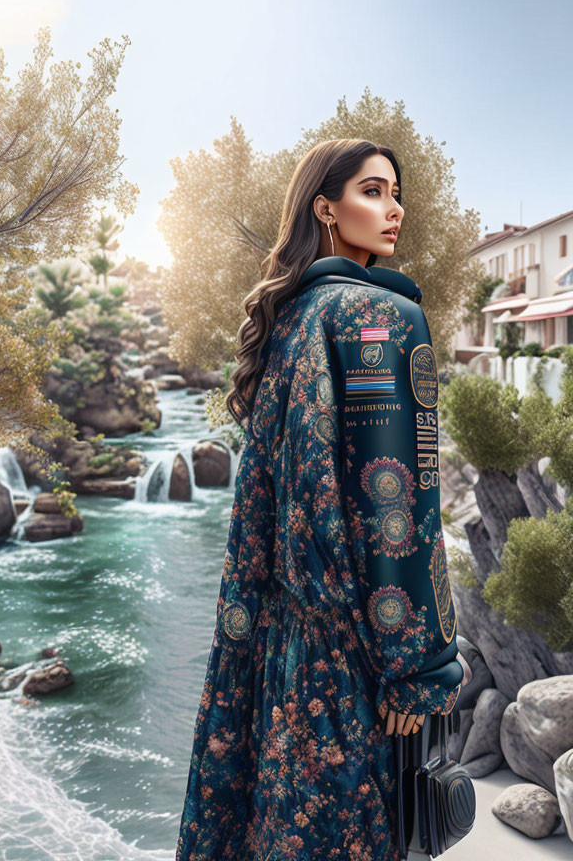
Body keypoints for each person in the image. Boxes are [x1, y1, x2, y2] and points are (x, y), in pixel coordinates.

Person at [175, 139, 466, 861]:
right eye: (373, 191)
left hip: (282, 658)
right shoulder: (383, 320)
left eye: (396, 194)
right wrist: (422, 665)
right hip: (354, 670)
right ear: (325, 207)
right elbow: (395, 506)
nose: (394, 209)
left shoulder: (292, 320)